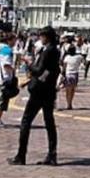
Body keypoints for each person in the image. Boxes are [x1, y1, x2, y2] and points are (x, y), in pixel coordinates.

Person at [10, 26, 61, 166]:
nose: (40, 39)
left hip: (39, 92)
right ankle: (52, 154)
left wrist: (28, 62)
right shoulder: (56, 51)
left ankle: (21, 155)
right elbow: (51, 71)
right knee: (49, 122)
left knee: (26, 121)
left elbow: (39, 71)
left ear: (46, 37)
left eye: (42, 36)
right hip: (49, 91)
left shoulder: (47, 51)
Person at [0, 33, 15, 127]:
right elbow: (6, 65)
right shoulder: (8, 51)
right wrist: (13, 69)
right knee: (3, 100)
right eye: (14, 40)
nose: (15, 42)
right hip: (5, 78)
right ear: (9, 40)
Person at [61, 44, 83, 110]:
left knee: (68, 90)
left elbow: (64, 67)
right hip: (75, 74)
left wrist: (62, 74)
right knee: (73, 90)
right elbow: (81, 62)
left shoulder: (67, 57)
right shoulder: (79, 57)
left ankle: (68, 103)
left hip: (68, 74)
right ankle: (70, 103)